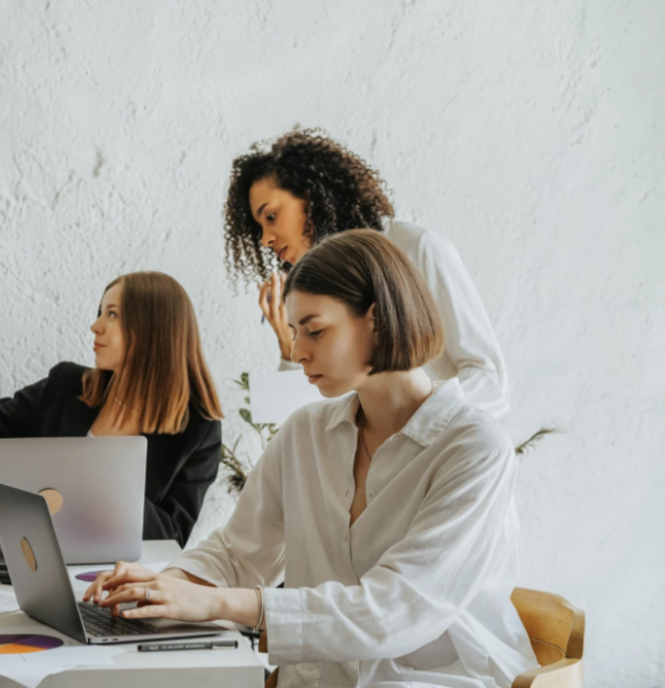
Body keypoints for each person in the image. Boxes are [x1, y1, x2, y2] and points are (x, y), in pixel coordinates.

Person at [85, 232, 538, 688]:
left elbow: (395, 612)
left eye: (314, 330)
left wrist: (222, 604)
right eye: (294, 331)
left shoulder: (474, 449)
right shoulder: (305, 432)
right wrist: (160, 586)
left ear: (377, 319)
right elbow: (239, 551)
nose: (298, 350)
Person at [0, 271, 224, 547]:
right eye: (100, 311)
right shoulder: (66, 387)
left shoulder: (198, 429)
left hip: (116, 585)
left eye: (112, 314)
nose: (95, 326)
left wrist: (104, 477)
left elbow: (172, 539)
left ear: (153, 329)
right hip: (34, 564)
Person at [224, 128, 510, 418]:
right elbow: (304, 422)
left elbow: (489, 381)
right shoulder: (311, 292)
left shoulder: (416, 249)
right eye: (259, 227)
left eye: (271, 216)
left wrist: (415, 424)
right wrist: (290, 347)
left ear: (311, 197)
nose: (264, 239)